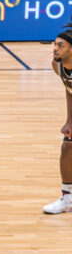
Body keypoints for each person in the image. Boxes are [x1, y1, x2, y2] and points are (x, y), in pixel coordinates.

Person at [42, 25, 72, 212]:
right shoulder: (58, 66)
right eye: (54, 44)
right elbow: (70, 90)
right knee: (67, 147)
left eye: (60, 46)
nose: (55, 48)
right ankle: (67, 198)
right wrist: (70, 120)